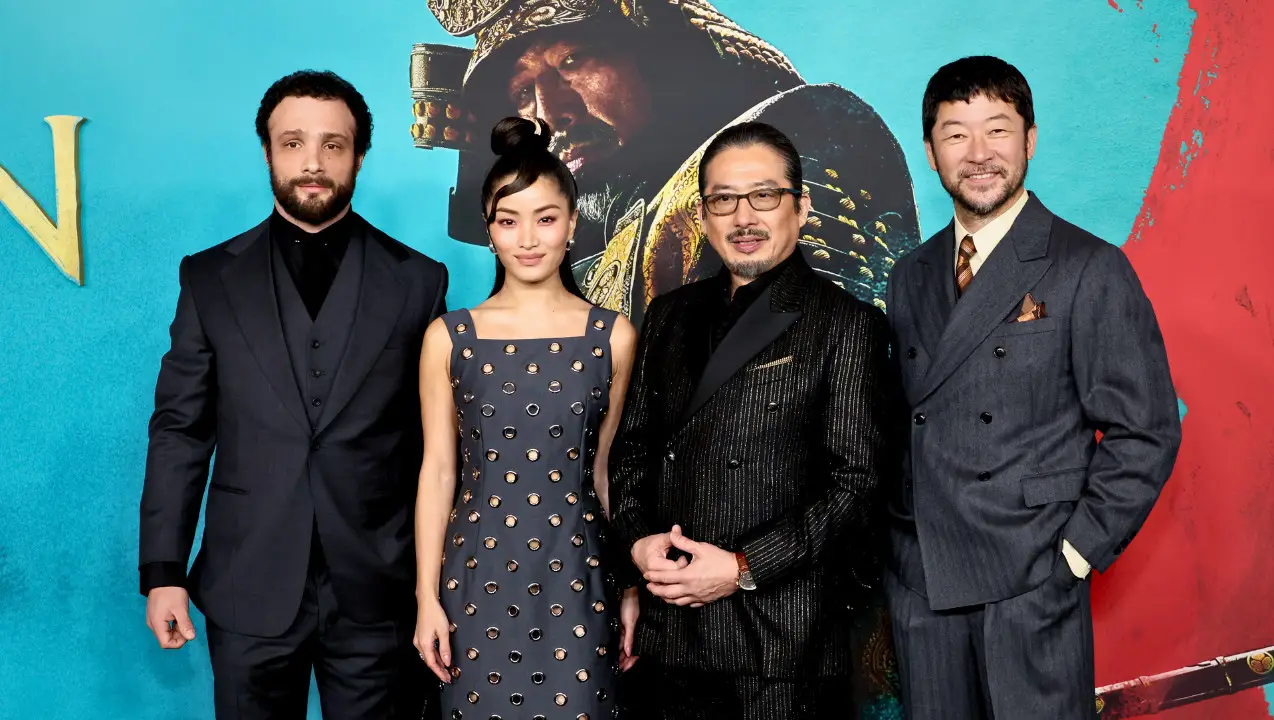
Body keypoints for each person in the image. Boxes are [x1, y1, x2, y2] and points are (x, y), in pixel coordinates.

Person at [138, 70, 449, 718]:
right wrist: (163, 571)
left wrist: (437, 585)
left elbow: (436, 448)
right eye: (293, 143)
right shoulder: (207, 278)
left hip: (379, 589)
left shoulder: (419, 281)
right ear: (267, 151)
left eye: (333, 145)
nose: (313, 162)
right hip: (247, 578)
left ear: (360, 154)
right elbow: (181, 430)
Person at [883, 55, 1182, 719]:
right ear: (930, 152)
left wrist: (1075, 556)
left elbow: (1147, 429)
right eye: (957, 134)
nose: (979, 153)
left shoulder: (1089, 267)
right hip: (923, 581)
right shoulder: (909, 274)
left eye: (999, 129)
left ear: (1031, 140)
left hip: (1029, 577)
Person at [606, 120, 901, 718]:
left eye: (765, 195)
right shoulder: (667, 316)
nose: (745, 218)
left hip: (780, 644)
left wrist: (742, 568)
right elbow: (632, 451)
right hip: (671, 633)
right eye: (723, 200)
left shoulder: (847, 324)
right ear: (703, 214)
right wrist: (637, 546)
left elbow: (857, 487)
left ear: (802, 207)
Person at [409, 0, 921, 326]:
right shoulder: (552, 258)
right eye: (523, 91)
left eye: (572, 61)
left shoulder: (803, 140)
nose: (549, 112)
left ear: (654, 61)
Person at [412, 116, 640, 720]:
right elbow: (438, 473)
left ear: (572, 223)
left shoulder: (612, 335)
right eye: (508, 221)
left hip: (579, 575)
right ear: (489, 232)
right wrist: (426, 598)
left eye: (545, 218)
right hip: (476, 577)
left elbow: (607, 472)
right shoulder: (449, 337)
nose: (528, 239)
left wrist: (629, 588)